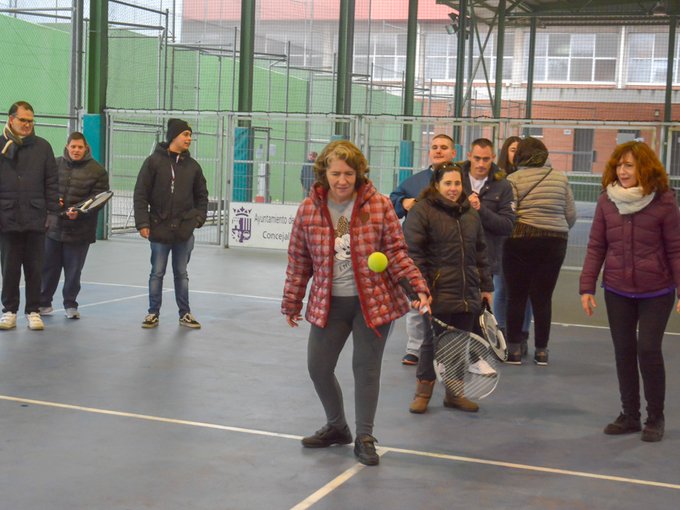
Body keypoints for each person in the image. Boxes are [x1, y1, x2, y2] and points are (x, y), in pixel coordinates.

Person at [282, 140, 429, 466]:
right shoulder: (309, 209)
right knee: (318, 367)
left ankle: (364, 436)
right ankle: (337, 426)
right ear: (324, 173)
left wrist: (417, 286)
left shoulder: (377, 205)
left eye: (349, 173)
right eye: (335, 173)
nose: (342, 180)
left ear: (359, 173)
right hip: (329, 304)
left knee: (365, 369)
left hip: (373, 304)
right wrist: (292, 300)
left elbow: (396, 253)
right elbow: (298, 260)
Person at [580, 141, 680, 442]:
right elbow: (597, 245)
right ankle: (630, 415)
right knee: (623, 352)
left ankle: (655, 417)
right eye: (619, 165)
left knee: (648, 350)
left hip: (657, 291)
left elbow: (676, 249)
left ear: (644, 168)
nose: (622, 171)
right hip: (617, 290)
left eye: (629, 165)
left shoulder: (664, 202)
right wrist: (587, 286)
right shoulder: (606, 202)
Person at [403, 162, 493, 414]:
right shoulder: (422, 211)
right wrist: (419, 290)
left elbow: (481, 251)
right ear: (436, 185)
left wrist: (486, 286)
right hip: (435, 293)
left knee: (458, 343)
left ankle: (455, 394)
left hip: (467, 292)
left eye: (457, 183)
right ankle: (423, 393)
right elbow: (413, 254)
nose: (453, 189)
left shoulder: (470, 213)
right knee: (431, 343)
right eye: (448, 183)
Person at [503, 137, 576, 365]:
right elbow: (570, 215)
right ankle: (542, 351)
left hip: (519, 241)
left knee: (516, 296)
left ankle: (513, 349)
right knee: (543, 298)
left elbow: (509, 214)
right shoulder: (560, 179)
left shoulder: (512, 179)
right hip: (554, 242)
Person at [134, 118, 208, 329]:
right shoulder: (153, 162)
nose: (189, 139)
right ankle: (152, 313)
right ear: (174, 136)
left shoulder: (193, 167)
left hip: (184, 231)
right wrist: (142, 223)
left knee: (181, 273)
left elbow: (202, 196)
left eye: (190, 135)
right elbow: (141, 193)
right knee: (157, 272)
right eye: (185, 134)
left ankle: (185, 313)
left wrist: (198, 218)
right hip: (159, 228)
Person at [389, 133, 456, 366]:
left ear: (453, 153)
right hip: (418, 252)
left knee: (450, 304)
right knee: (418, 300)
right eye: (435, 147)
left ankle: (447, 348)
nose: (438, 151)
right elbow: (393, 203)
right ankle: (414, 348)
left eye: (444, 147)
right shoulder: (414, 182)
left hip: (450, 254)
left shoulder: (460, 181)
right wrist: (404, 203)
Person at [0, 101, 59, 331]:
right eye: (23, 120)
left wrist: (52, 212)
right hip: (7, 219)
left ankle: (33, 311)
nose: (27, 124)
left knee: (35, 268)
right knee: (9, 268)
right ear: (11, 119)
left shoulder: (43, 147)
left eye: (31, 121)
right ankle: (9, 311)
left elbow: (52, 182)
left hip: (36, 218)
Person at [39, 132, 110, 319]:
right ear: (67, 146)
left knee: (73, 271)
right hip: (52, 228)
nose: (76, 150)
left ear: (86, 148)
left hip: (80, 231)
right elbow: (45, 188)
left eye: (80, 147)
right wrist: (53, 200)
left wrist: (79, 212)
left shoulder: (98, 171)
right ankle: (43, 303)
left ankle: (70, 304)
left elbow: (97, 200)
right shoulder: (54, 164)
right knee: (48, 268)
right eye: (73, 147)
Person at [459, 137, 514, 350]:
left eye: (486, 159)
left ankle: (477, 355)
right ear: (469, 156)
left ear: (493, 158)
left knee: (480, 308)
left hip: (485, 259)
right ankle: (445, 352)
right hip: (452, 256)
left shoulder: (503, 185)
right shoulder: (454, 179)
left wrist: (481, 209)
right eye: (477, 158)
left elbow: (507, 225)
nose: (481, 164)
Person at [495, 135, 533, 357]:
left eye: (520, 150)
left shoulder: (532, 178)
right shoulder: (498, 179)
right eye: (512, 149)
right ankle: (501, 335)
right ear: (505, 152)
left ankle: (522, 334)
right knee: (501, 289)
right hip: (502, 242)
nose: (516, 153)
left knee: (524, 292)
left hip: (525, 243)